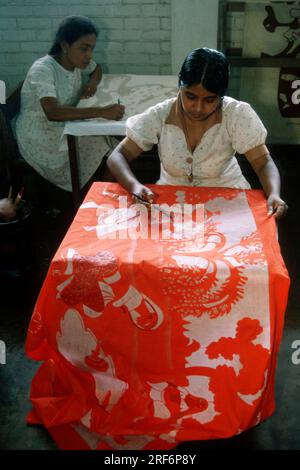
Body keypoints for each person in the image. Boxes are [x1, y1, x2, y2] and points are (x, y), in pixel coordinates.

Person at [107, 47, 288, 219]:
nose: (198, 108)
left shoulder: (236, 115)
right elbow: (118, 156)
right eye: (190, 97)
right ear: (180, 84)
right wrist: (134, 186)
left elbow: (263, 162)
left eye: (210, 100)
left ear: (221, 95)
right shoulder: (161, 115)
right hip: (172, 202)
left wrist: (273, 194)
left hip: (227, 199)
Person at [16, 16, 125, 192]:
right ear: (65, 46)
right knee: (104, 142)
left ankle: (100, 191)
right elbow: (53, 113)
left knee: (109, 142)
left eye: (92, 49)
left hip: (64, 124)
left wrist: (91, 84)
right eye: (84, 48)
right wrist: (101, 111)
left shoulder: (76, 61)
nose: (89, 55)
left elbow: (97, 69)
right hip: (41, 136)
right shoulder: (43, 69)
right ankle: (91, 197)